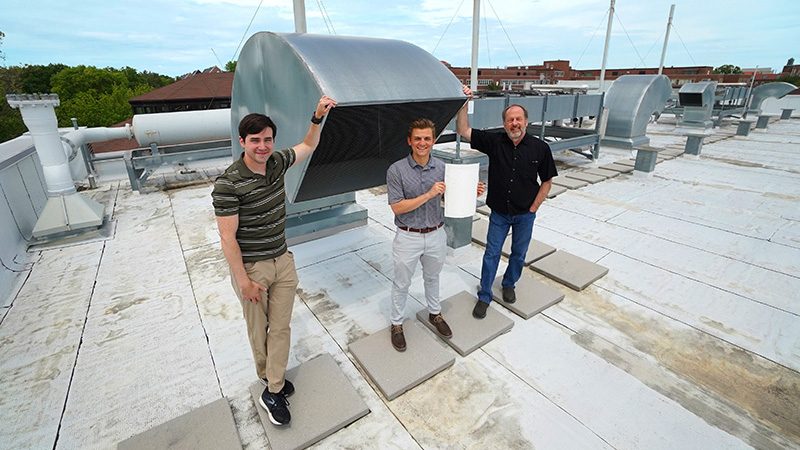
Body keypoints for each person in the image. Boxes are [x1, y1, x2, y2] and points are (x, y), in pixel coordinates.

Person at [211, 95, 337, 426]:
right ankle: (271, 382)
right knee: (259, 330)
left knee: (280, 327)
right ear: (243, 141)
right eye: (256, 140)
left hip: (283, 260)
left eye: (268, 139)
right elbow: (227, 239)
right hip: (252, 268)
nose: (263, 146)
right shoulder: (228, 183)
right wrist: (243, 281)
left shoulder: (278, 162)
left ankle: (274, 384)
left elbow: (309, 145)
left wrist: (317, 116)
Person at [456, 85, 557, 319]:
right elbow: (463, 129)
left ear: (526, 122)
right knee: (491, 253)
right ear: (504, 124)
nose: (514, 123)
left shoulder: (540, 149)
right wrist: (464, 102)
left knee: (519, 254)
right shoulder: (495, 142)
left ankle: (509, 283)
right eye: (510, 120)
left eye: (518, 119)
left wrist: (533, 209)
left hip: (525, 214)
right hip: (499, 214)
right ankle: (484, 295)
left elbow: (547, 182)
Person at [386, 118, 485, 351]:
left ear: (433, 141)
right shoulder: (396, 170)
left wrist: (471, 191)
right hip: (408, 236)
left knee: (433, 277)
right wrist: (429, 194)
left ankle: (435, 314)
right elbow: (397, 206)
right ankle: (396, 324)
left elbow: (446, 198)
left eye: (427, 138)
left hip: (435, 233)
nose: (423, 143)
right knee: (402, 283)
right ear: (410, 141)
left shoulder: (442, 168)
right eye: (418, 138)